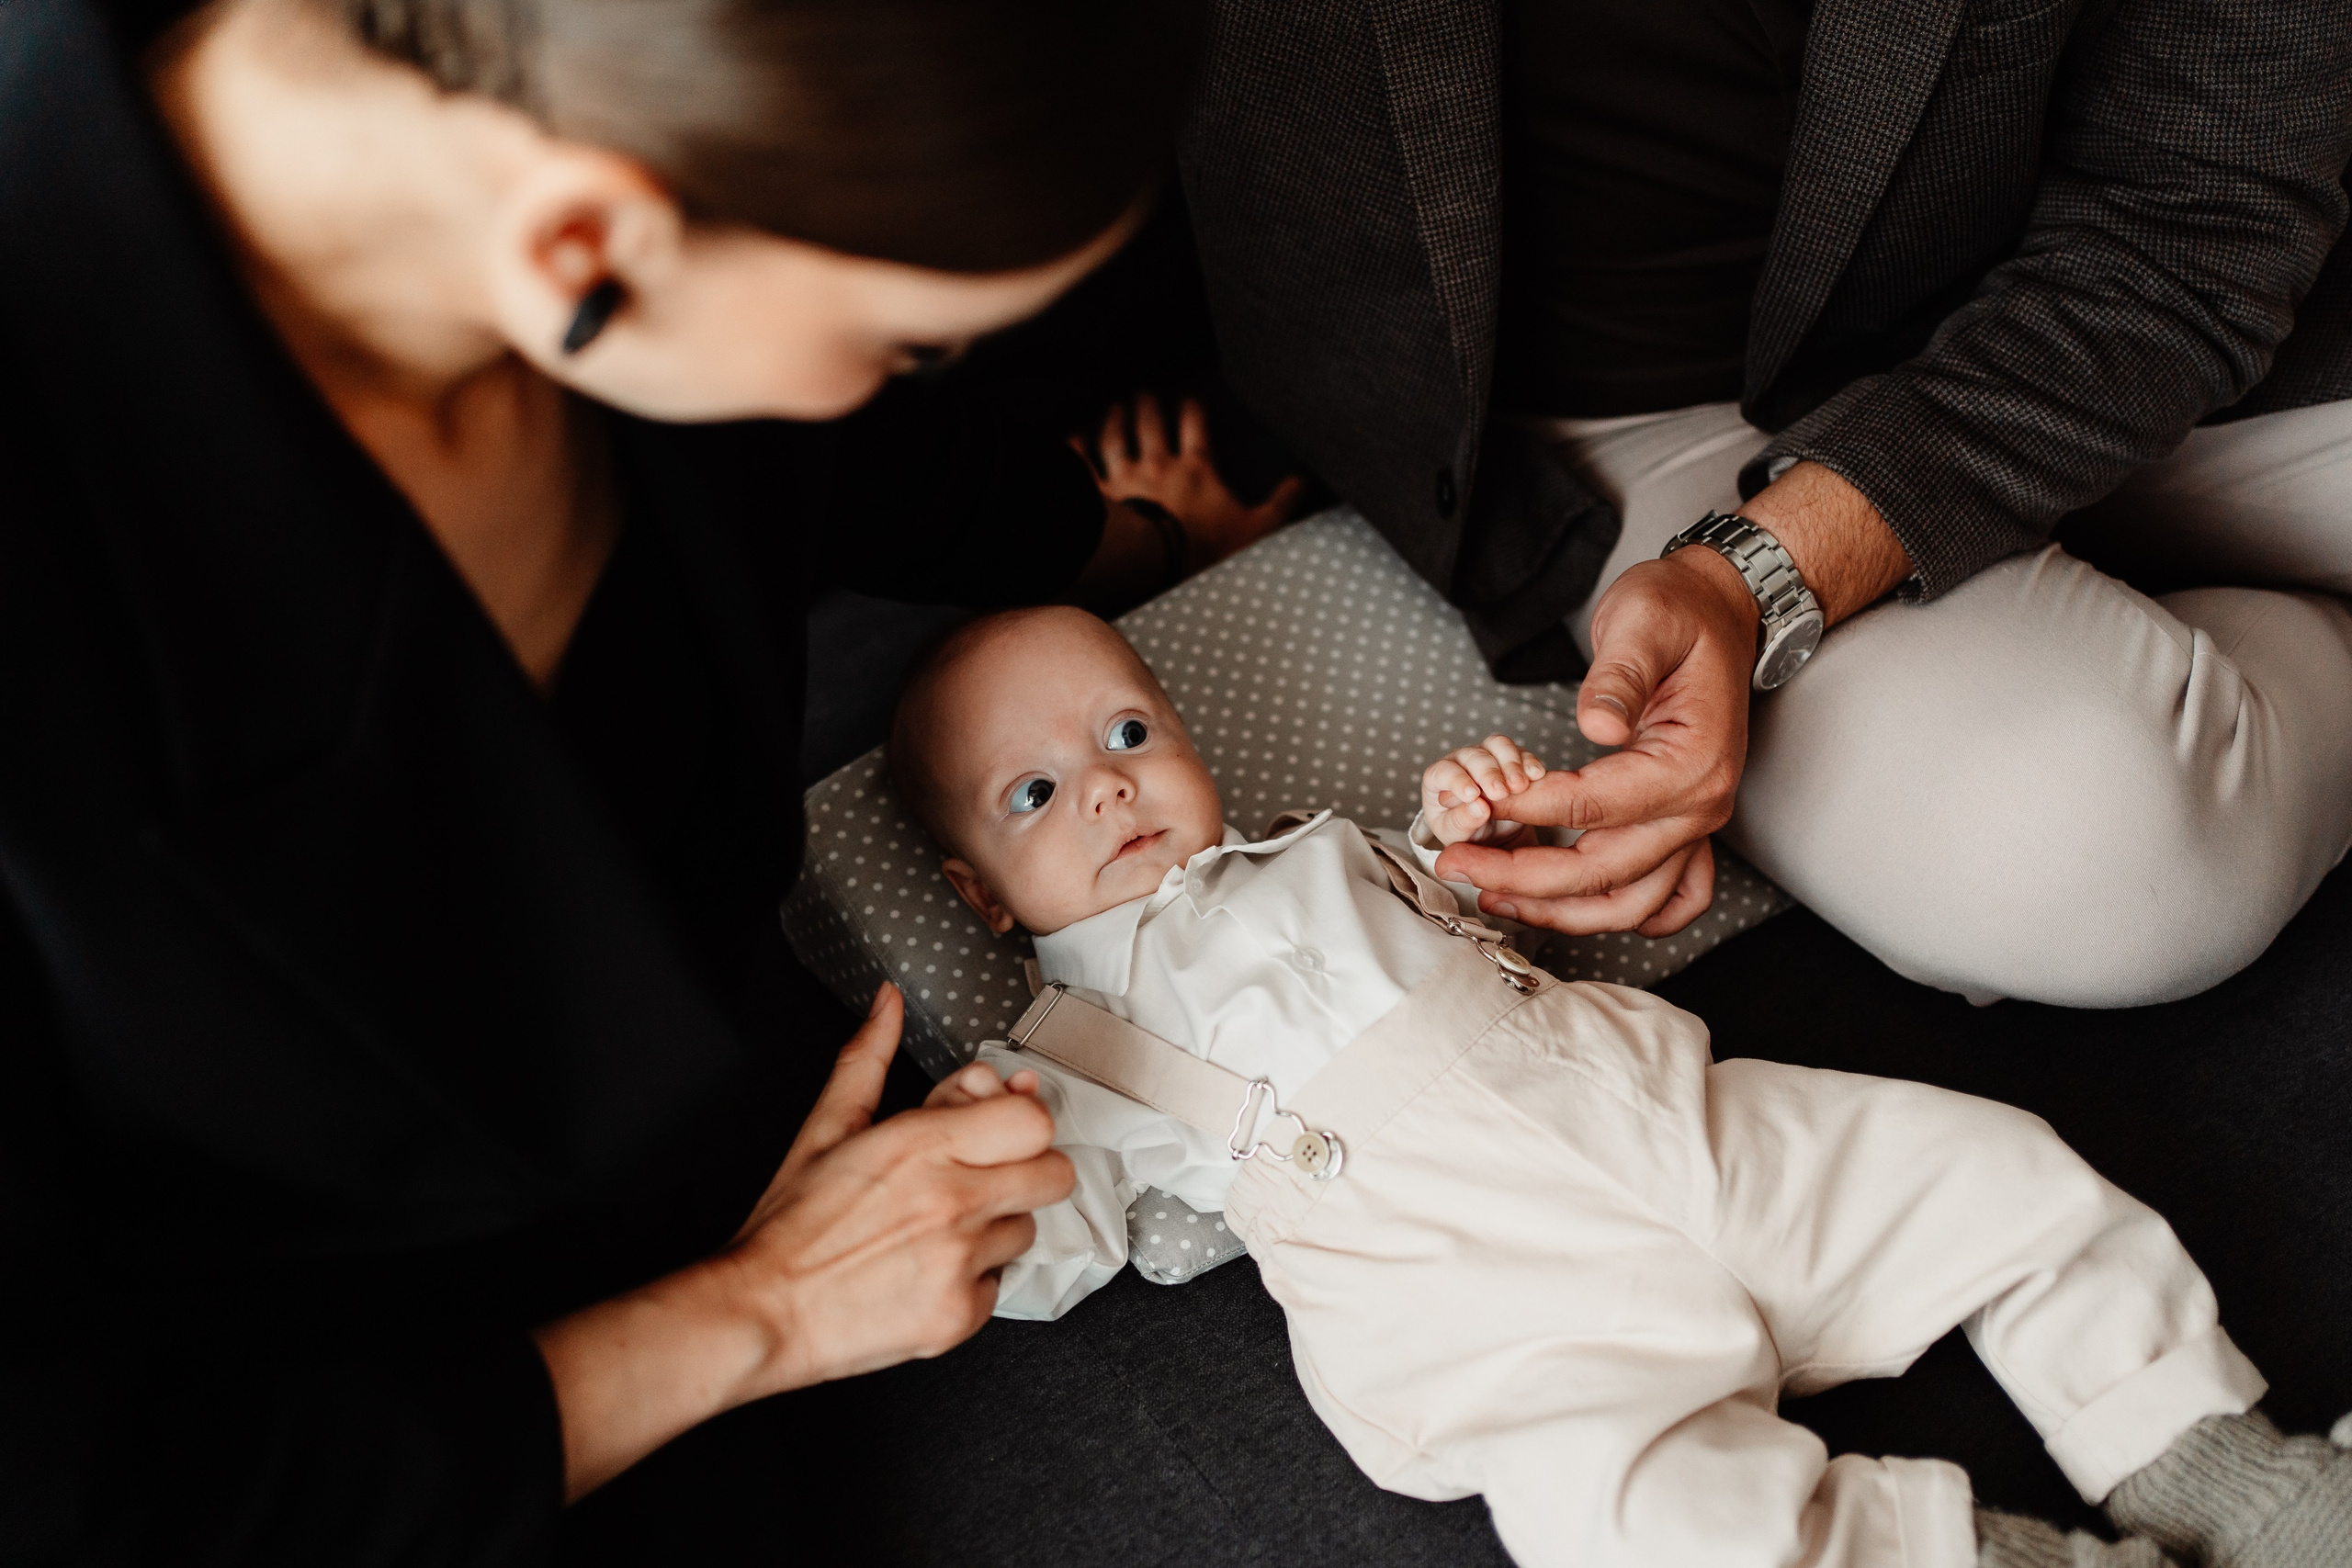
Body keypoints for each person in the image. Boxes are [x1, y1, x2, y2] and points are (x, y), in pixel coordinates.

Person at [0, 0, 1307, 1558]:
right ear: (582, 252)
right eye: (907, 337)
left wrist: (1138, 545)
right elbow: (74, 1477)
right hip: (355, 1430)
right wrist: (762, 1312)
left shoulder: (620, 166)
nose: (903, 373)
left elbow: (871, 465)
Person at [879, 603, 2350, 1568]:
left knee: (1998, 1174)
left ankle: (2221, 1469)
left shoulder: (1319, 845)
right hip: (1489, 1303)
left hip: (1683, 1126)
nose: (1109, 785)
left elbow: (1489, 906)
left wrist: (1468, 820)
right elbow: (1051, 1248)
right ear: (980, 892)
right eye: (1038, 791)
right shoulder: (1061, 1053)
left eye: (1128, 734)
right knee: (1639, 1520)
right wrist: (974, 1185)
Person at [1175, 0, 2352, 1007]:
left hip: (2139, 298)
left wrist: (1766, 568)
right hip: (1657, 424)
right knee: (2092, 860)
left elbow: (2197, 209)